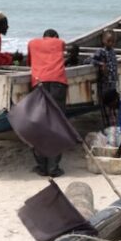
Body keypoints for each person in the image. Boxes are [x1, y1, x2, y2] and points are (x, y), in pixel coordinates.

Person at [27, 29, 69, 177]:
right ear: (55, 37)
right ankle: (53, 168)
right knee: (56, 125)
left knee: (40, 125)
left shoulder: (32, 43)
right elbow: (67, 55)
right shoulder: (60, 42)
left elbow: (29, 63)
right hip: (58, 83)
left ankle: (41, 166)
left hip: (38, 84)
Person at [86, 29, 119, 128]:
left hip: (112, 84)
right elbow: (88, 60)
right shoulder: (101, 51)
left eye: (113, 41)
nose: (111, 43)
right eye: (109, 41)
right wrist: (100, 64)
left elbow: (112, 63)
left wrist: (117, 63)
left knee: (113, 106)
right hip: (104, 85)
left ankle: (113, 126)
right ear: (103, 41)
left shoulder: (113, 52)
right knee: (105, 107)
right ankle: (108, 127)